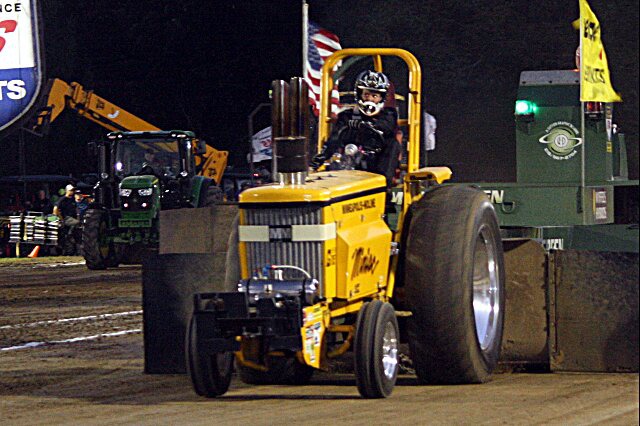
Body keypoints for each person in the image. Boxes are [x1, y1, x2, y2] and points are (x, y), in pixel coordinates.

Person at [311, 70, 400, 188]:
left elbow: (386, 126)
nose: (370, 99)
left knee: (393, 144)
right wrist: (322, 156)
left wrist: (368, 126)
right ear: (359, 94)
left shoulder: (388, 115)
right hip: (350, 164)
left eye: (374, 96)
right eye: (366, 94)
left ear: (381, 97)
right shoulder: (347, 115)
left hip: (377, 166)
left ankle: (384, 188)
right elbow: (335, 137)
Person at [53, 184, 80, 254]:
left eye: (73, 190)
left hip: (72, 218)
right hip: (66, 218)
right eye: (71, 190)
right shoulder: (62, 199)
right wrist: (60, 219)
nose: (72, 192)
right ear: (67, 191)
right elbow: (55, 209)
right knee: (77, 223)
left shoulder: (73, 199)